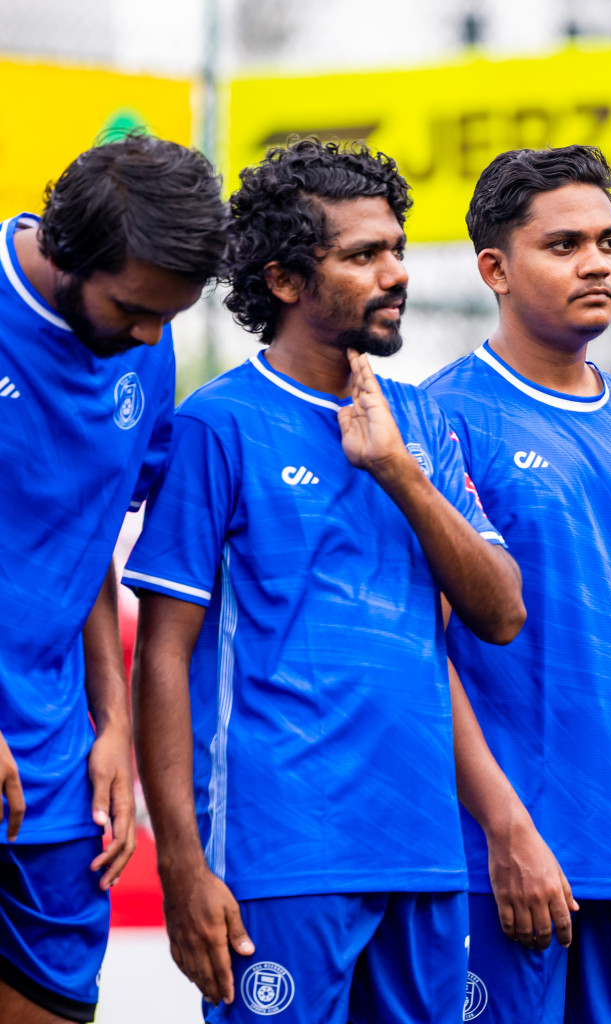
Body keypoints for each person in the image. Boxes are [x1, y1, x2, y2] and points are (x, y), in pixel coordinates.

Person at [126, 140, 526, 1024]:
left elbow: (500, 613)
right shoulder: (218, 425)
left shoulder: (419, 419)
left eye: (397, 250)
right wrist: (184, 870)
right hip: (284, 853)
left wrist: (400, 473)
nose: (395, 274)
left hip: (423, 852)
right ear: (285, 280)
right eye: (362, 255)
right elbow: (161, 657)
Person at [421, 145, 611, 1024]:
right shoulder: (443, 416)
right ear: (496, 269)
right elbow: (423, 648)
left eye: (610, 240)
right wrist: (506, 831)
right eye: (564, 245)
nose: (596, 262)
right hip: (504, 859)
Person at [0, 134, 226, 1024]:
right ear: (67, 254)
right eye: (133, 308)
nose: (149, 335)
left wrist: (114, 725)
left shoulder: (148, 352)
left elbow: (86, 535)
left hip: (55, 768)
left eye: (168, 316)